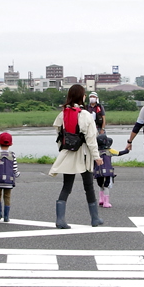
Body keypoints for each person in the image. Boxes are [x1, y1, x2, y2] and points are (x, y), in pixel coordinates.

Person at [49, 83, 104, 228]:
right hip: (84, 154)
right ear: (81, 96)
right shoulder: (84, 114)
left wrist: (63, 151)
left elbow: (59, 135)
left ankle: (60, 220)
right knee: (89, 186)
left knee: (66, 186)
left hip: (68, 153)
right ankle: (95, 218)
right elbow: (91, 139)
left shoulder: (63, 113)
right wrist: (97, 157)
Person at [0, 130, 18, 221]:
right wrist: (17, 174)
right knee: (7, 197)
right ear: (11, 144)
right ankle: (6, 216)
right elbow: (15, 168)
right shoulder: (12, 155)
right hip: (9, 181)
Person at [93, 132, 116, 208]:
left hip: (98, 172)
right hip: (107, 172)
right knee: (106, 186)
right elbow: (119, 153)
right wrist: (127, 150)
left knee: (100, 185)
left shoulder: (96, 152)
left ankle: (101, 200)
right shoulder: (109, 151)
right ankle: (106, 202)